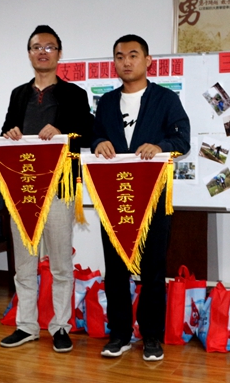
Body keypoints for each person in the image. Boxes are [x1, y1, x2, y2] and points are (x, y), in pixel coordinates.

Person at [92, 34, 190, 362]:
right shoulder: (106, 102)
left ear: (148, 61)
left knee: (152, 270)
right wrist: (98, 143)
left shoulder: (165, 99)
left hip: (153, 197)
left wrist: (161, 146)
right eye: (120, 56)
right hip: (115, 198)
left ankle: (151, 336)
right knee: (116, 269)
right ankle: (119, 334)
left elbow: (183, 138)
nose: (126, 62)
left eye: (133, 55)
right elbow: (93, 134)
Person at [0, 25, 93, 353]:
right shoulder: (18, 94)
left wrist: (62, 130)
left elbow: (86, 133)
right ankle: (26, 325)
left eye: (49, 47)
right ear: (29, 54)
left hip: (58, 188)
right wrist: (10, 133)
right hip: (23, 188)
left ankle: (60, 327)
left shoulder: (75, 94)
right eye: (37, 47)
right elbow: (5, 130)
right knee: (24, 264)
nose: (43, 52)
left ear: (59, 53)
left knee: (60, 263)